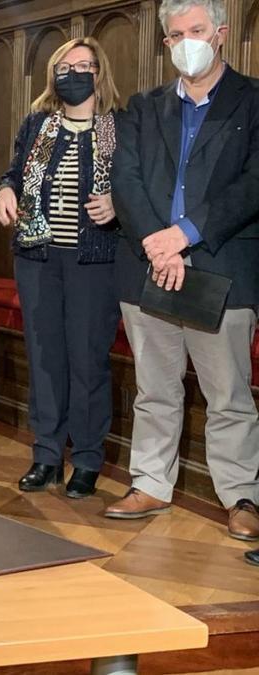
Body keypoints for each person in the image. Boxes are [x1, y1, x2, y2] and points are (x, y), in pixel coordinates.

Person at [110, 0, 259, 549]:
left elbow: (252, 183)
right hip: (150, 265)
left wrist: (186, 233)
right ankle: (150, 483)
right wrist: (158, 240)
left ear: (220, 34)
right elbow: (125, 178)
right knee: (155, 387)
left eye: (196, 30)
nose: (186, 41)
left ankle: (241, 495)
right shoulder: (141, 107)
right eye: (175, 35)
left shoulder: (254, 99)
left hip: (221, 266)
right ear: (165, 44)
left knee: (228, 394)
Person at [0, 37, 123, 499]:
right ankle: (46, 454)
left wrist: (117, 203)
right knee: (45, 359)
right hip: (38, 258)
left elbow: (136, 188)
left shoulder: (116, 127)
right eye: (66, 66)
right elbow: (14, 173)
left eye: (84, 65)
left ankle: (86, 458)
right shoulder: (37, 123)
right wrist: (5, 191)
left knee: (88, 361)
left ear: (98, 72)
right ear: (53, 74)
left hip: (94, 262)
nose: (75, 73)